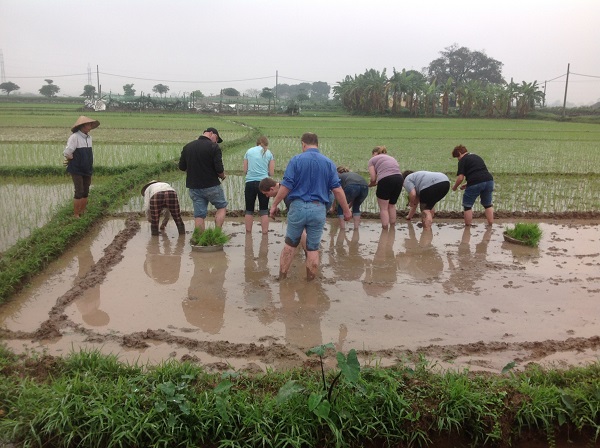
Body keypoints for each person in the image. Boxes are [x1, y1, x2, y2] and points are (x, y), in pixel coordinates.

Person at [268, 132, 352, 280]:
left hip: (298, 207)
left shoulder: (296, 160)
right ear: (317, 144)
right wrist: (346, 210)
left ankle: (282, 279)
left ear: (303, 144)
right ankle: (310, 283)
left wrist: (274, 205)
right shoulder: (328, 163)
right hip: (318, 208)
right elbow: (337, 190)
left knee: (290, 245)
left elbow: (286, 186)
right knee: (313, 248)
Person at [179, 127, 227, 231]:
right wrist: (223, 176)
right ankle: (217, 233)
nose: (216, 142)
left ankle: (199, 238)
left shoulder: (188, 147)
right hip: (212, 186)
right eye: (217, 139)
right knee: (221, 207)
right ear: (211, 133)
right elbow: (219, 169)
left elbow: (182, 167)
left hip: (194, 187)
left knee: (199, 215)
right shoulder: (214, 147)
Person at [63, 115, 100, 218]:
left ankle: (83, 211)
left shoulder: (89, 138)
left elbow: (90, 153)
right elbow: (67, 152)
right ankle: (76, 214)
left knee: (86, 190)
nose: (91, 126)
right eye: (89, 124)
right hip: (77, 169)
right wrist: (72, 159)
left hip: (87, 168)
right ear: (83, 126)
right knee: (79, 191)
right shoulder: (74, 137)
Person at [451, 144, 494, 226]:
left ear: (459, 153)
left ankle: (467, 227)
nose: (458, 159)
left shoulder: (463, 160)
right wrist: (468, 184)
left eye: (457, 157)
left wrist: (454, 187)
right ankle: (490, 224)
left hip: (475, 182)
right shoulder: (476, 156)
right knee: (488, 204)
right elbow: (479, 172)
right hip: (489, 180)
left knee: (467, 206)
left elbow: (460, 178)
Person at [243, 135, 275, 233]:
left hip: (250, 183)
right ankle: (265, 233)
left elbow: (245, 171)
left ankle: (248, 233)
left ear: (257, 143)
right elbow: (272, 173)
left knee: (249, 210)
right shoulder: (269, 153)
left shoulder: (248, 151)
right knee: (264, 210)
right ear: (266, 143)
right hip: (264, 184)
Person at [368, 146, 403, 229]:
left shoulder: (372, 160)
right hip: (399, 179)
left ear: (374, 153)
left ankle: (385, 229)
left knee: (383, 208)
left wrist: (371, 184)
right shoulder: (391, 158)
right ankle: (392, 228)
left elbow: (373, 178)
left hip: (386, 179)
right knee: (392, 205)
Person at [334, 166, 369, 230]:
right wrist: (347, 208)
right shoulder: (352, 175)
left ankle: (342, 229)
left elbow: (337, 193)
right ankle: (356, 228)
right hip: (365, 187)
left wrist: (333, 208)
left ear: (338, 172)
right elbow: (353, 198)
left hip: (352, 186)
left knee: (340, 207)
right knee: (356, 206)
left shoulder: (338, 177)